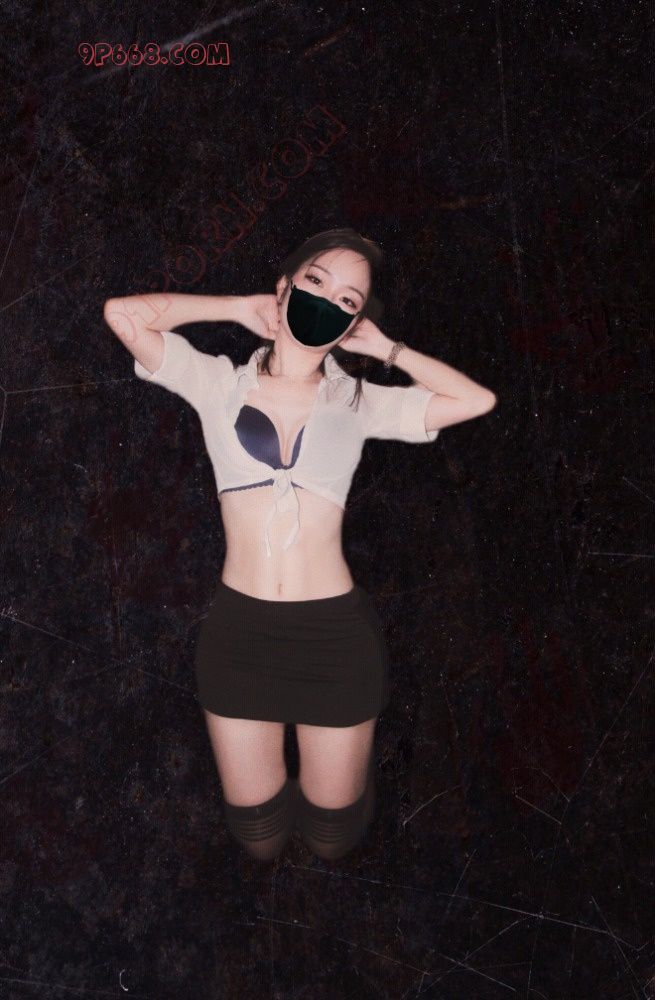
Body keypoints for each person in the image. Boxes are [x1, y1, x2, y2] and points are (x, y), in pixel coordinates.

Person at [103, 227, 496, 863]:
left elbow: (476, 399)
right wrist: (238, 308)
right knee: (257, 838)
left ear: (355, 322)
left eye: (348, 300)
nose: (327, 302)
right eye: (315, 281)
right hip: (239, 634)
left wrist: (387, 348)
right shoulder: (216, 382)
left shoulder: (360, 402)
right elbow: (122, 315)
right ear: (284, 287)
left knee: (331, 837)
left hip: (334, 637)